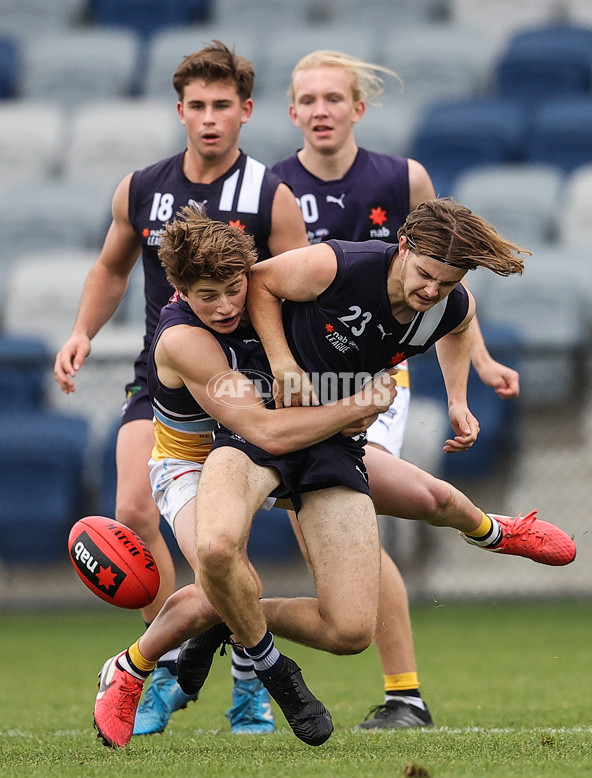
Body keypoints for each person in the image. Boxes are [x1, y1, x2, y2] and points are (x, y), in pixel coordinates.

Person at [92, 203, 575, 749]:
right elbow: (263, 427)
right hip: (219, 448)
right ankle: (142, 668)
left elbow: (458, 320)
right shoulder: (200, 328)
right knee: (217, 568)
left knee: (401, 545)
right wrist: (337, 392)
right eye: (424, 275)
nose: (229, 305)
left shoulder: (445, 297)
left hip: (315, 435)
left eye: (234, 288)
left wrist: (460, 399)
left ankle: (494, 530)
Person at [54, 40, 309, 736]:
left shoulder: (269, 196)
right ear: (179, 110)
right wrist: (82, 330)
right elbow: (111, 267)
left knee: (218, 549)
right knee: (134, 510)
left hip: (242, 388)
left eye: (221, 105)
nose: (208, 118)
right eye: (196, 106)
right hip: (160, 379)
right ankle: (163, 670)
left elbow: (298, 289)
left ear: (246, 111)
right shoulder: (142, 187)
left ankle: (245, 681)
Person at [271, 50, 521, 729]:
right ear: (292, 111)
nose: (321, 109)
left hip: (376, 376)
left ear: (359, 106)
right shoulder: (272, 187)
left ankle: (404, 692)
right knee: (316, 524)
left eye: (334, 97)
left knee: (352, 515)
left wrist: (482, 364)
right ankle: (242, 658)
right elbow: (265, 285)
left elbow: (447, 276)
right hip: (296, 380)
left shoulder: (403, 178)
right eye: (308, 99)